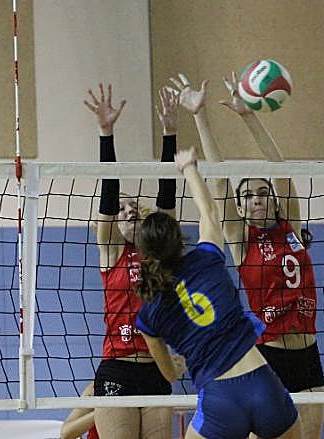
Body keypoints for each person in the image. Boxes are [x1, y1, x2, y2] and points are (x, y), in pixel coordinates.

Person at [169, 72, 324, 439]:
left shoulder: (291, 226)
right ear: (240, 207)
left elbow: (279, 169)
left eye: (263, 193)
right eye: (248, 196)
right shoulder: (241, 241)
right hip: (268, 357)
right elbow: (219, 183)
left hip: (308, 353)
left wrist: (248, 115)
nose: (257, 199)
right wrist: (200, 115)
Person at [134, 146, 301, 439]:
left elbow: (170, 374)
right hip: (264, 385)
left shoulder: (149, 314)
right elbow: (210, 212)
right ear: (178, 239)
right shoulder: (207, 258)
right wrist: (188, 167)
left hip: (220, 398)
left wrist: (178, 364)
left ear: (144, 254)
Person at [83, 84, 179, 438]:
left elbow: (166, 196)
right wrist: (106, 134)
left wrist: (169, 133)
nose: (128, 210)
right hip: (117, 370)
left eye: (133, 205)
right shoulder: (111, 250)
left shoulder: (158, 251)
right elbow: (108, 196)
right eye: (121, 209)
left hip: (156, 369)